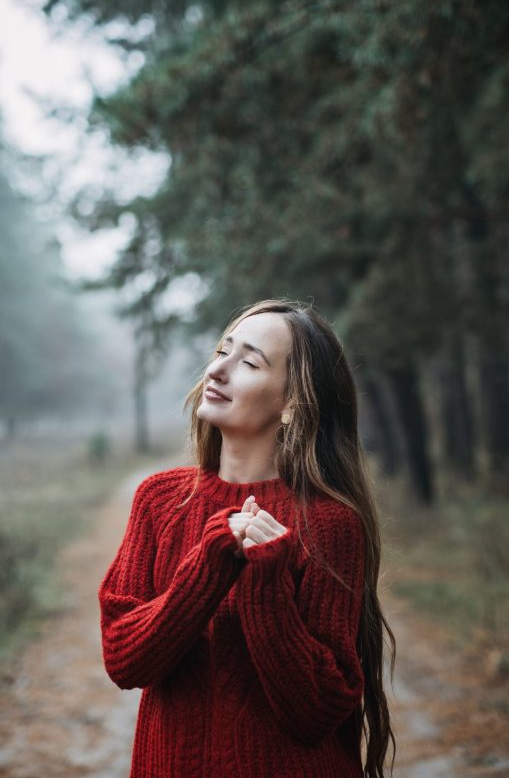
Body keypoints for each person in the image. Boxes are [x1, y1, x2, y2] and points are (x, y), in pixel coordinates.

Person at [98, 298, 397, 778]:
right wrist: (210, 564)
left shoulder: (328, 522)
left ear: (292, 403)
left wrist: (265, 587)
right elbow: (124, 660)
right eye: (222, 351)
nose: (218, 370)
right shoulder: (159, 500)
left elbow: (317, 712)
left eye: (249, 362)